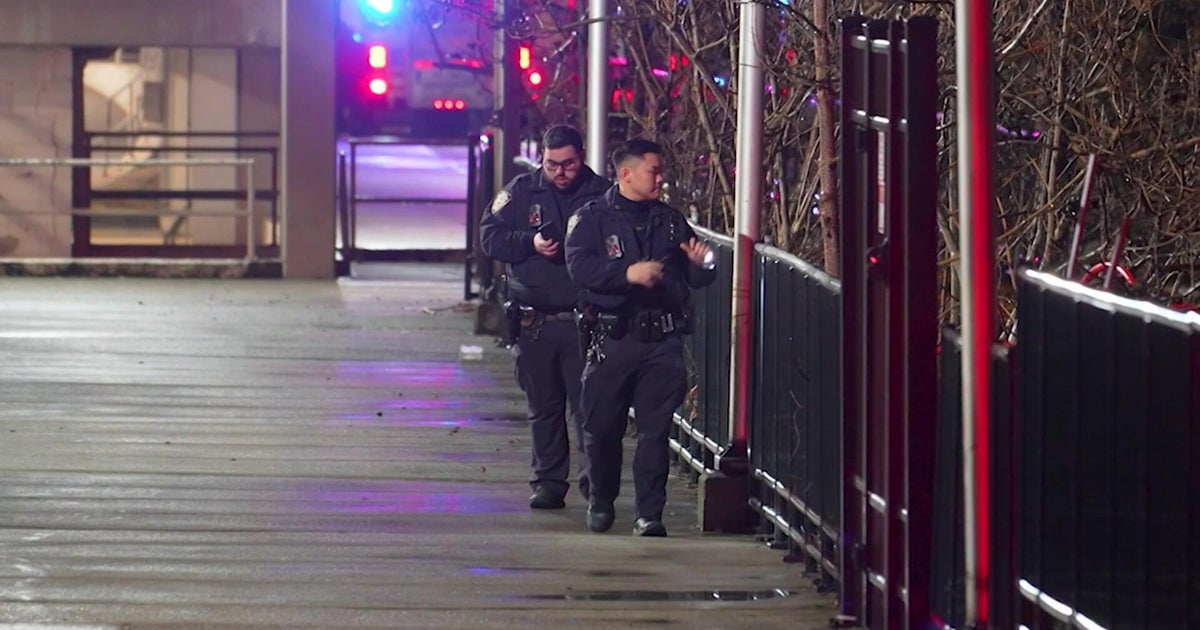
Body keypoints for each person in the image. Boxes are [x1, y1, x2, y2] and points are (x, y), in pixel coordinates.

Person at [564, 138, 716, 536]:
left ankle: (650, 514)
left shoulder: (668, 220)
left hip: (660, 342)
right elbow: (579, 267)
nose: (660, 179)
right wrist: (625, 275)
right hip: (613, 339)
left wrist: (703, 265)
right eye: (654, 171)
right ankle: (601, 499)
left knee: (655, 431)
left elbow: (695, 272)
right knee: (602, 427)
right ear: (626, 173)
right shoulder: (592, 218)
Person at [480, 124, 611, 509]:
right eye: (552, 164)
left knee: (589, 409)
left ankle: (594, 489)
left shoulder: (602, 195)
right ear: (542, 159)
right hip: (533, 320)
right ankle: (548, 483)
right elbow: (489, 236)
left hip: (584, 320)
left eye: (568, 164)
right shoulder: (522, 191)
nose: (560, 173)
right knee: (543, 407)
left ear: (581, 158)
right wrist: (530, 243)